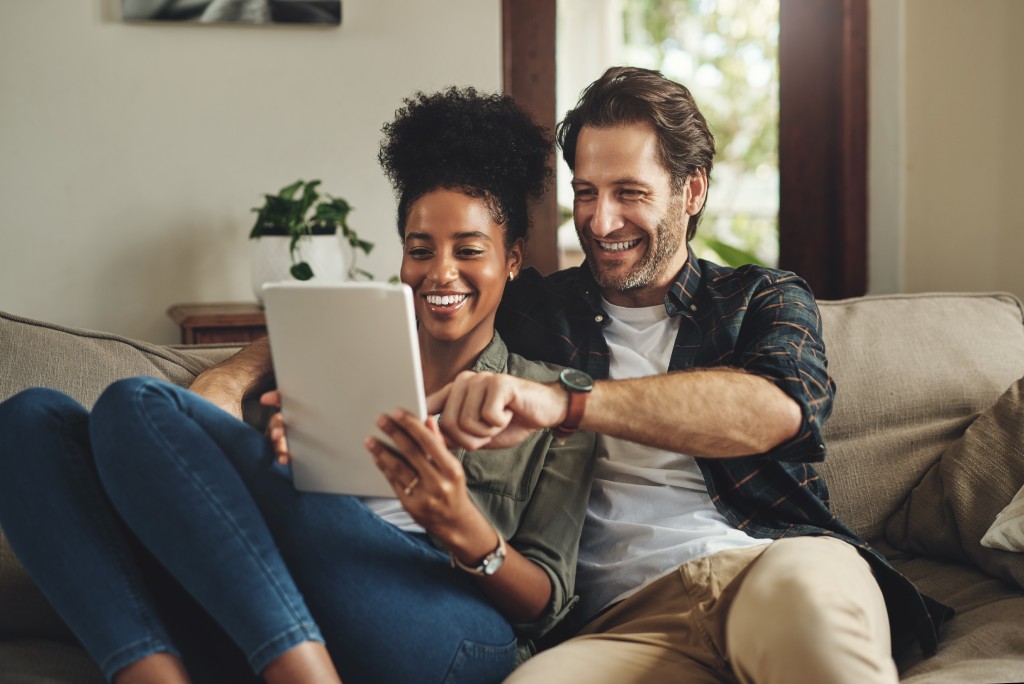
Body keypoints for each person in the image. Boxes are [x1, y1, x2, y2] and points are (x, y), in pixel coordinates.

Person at [189, 66, 951, 684]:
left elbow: (776, 412)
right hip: (618, 622)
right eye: (586, 193)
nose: (602, 220)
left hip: (769, 569)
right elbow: (405, 301)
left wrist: (564, 404)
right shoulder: (533, 306)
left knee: (814, 629)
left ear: (692, 192)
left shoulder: (761, 299)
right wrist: (236, 375)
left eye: (630, 193)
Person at [0, 87, 596, 684]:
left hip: (448, 627)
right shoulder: (328, 356)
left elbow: (545, 606)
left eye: (469, 250)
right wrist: (275, 457)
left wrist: (456, 519)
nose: (441, 272)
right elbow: (239, 504)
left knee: (137, 402)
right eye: (420, 250)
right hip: (282, 595)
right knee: (28, 420)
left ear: (512, 259)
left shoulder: (546, 398)